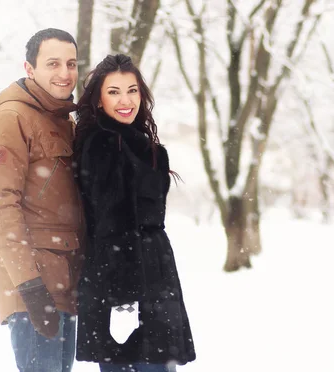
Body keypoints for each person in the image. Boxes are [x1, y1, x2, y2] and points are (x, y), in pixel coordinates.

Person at [73, 54, 196, 372]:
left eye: (132, 90)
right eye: (113, 91)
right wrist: (124, 303)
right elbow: (111, 224)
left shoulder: (146, 146)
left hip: (154, 274)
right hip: (121, 280)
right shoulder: (103, 144)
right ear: (99, 100)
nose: (125, 100)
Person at [0, 28, 83, 372]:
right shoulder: (11, 119)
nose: (64, 73)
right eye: (53, 63)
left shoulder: (62, 119)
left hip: (63, 281)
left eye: (71, 64)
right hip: (35, 287)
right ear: (29, 68)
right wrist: (30, 286)